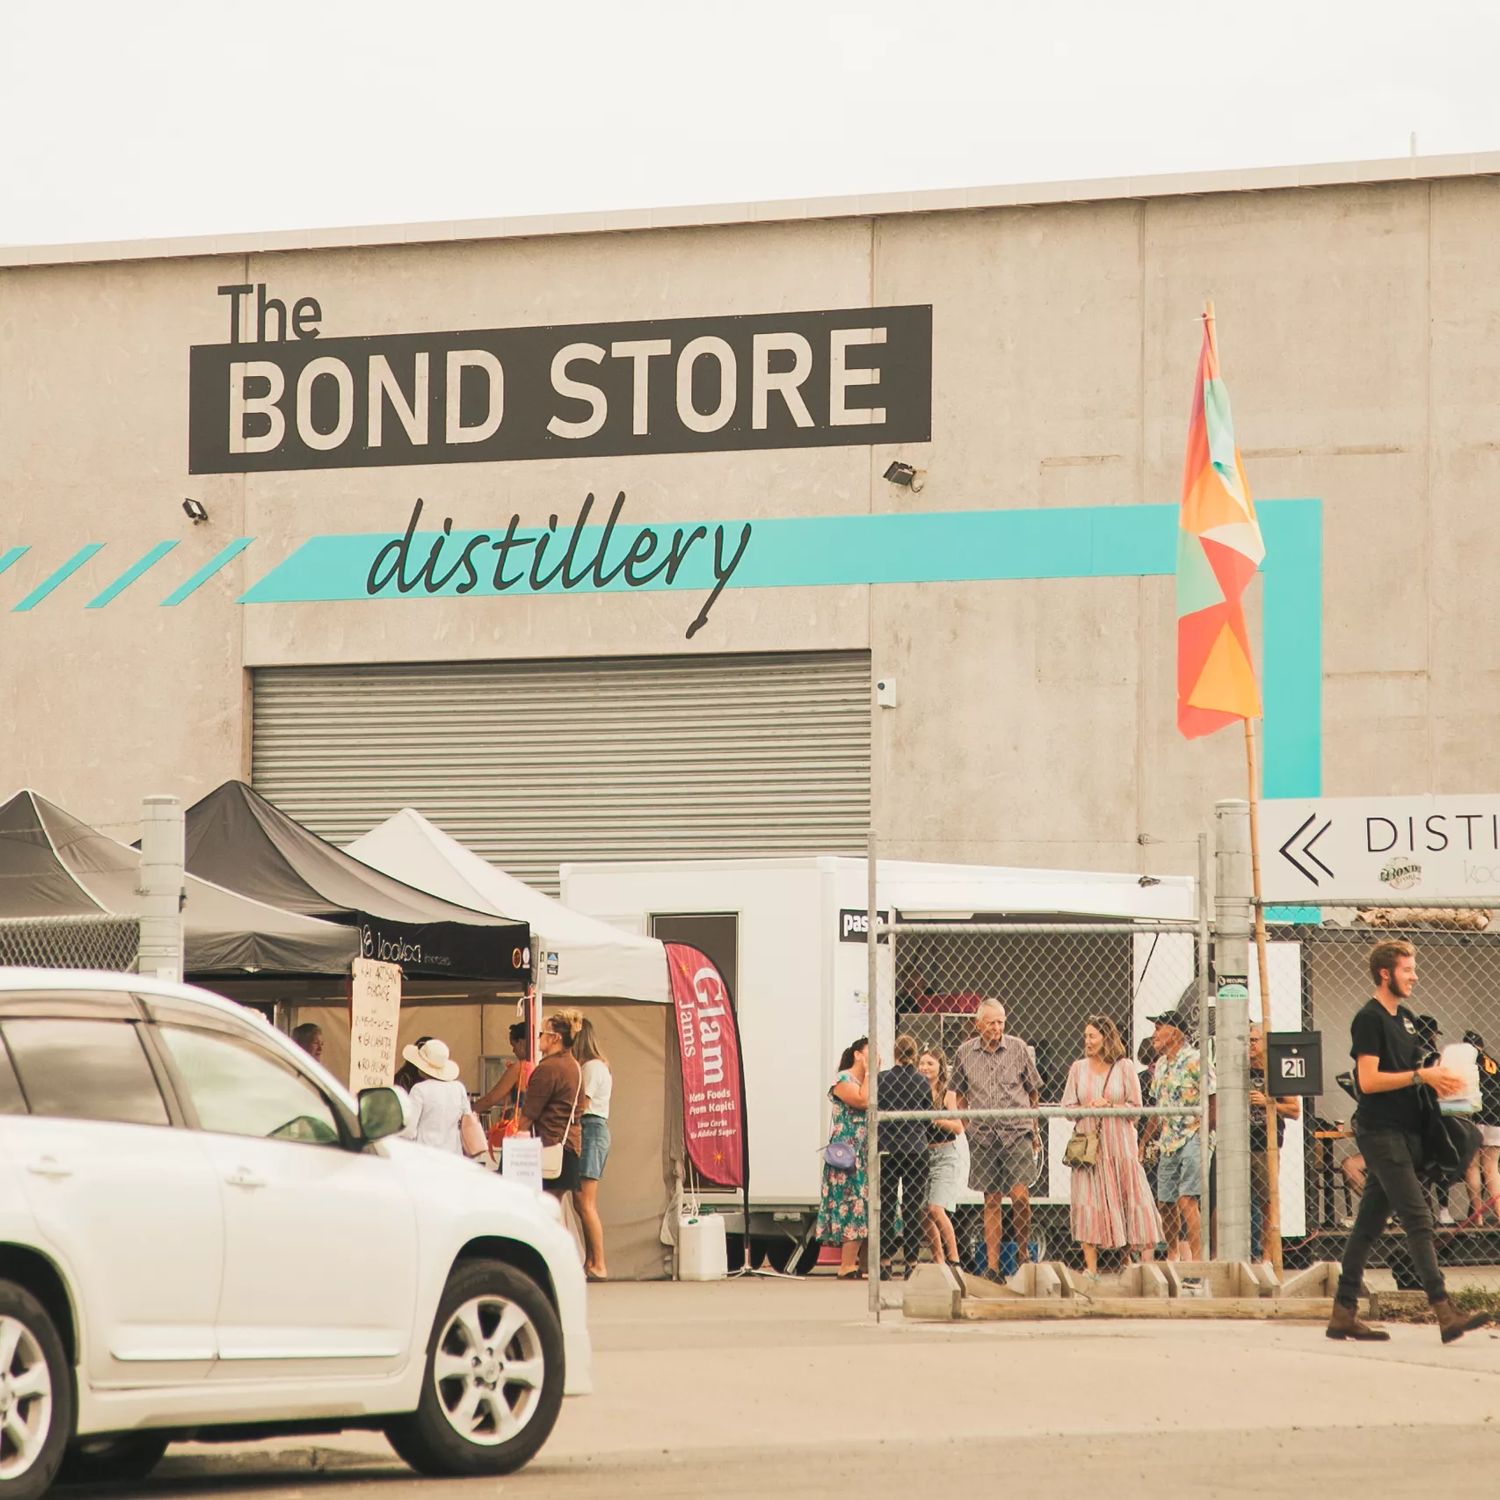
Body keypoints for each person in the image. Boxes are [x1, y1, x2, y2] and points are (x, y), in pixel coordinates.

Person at [1327, 940, 1491, 1344]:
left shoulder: (1408, 1019)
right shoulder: (1369, 1019)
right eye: (1408, 969)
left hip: (1407, 1130)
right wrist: (1421, 1078)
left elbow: (1422, 1067)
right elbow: (1367, 1080)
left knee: (1368, 1224)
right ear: (1386, 974)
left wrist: (1446, 1077)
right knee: (1418, 1218)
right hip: (1380, 1132)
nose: (1415, 976)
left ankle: (1343, 1313)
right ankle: (1444, 1309)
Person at [947, 999, 1042, 1280]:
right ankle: (993, 1268)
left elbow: (1033, 1090)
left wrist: (1033, 1127)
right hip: (984, 1135)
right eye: (992, 1022)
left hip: (1016, 1130)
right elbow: (959, 1091)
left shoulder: (1017, 1047)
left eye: (1001, 1022)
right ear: (979, 1024)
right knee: (991, 1200)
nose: (997, 1027)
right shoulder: (965, 1052)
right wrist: (967, 1122)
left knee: (1020, 1197)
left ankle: (1023, 1256)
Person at [1061, 1016, 1162, 1277]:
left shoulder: (1124, 1067)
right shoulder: (1078, 1068)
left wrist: (1110, 1106)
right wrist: (1087, 1107)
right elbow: (1068, 1109)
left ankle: (1127, 1262)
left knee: (1125, 1201)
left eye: (1092, 1036)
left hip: (1120, 1148)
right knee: (1088, 1202)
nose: (1088, 1042)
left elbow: (1135, 1110)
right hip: (1090, 1150)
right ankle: (1091, 1268)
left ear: (1106, 1037)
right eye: (1086, 1036)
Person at [1143, 1003, 1214, 1261]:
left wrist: (1207, 1133)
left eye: (1159, 1028)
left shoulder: (1196, 1060)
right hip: (1168, 1139)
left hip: (1194, 1134)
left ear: (1175, 1033)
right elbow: (1157, 1106)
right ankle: (1172, 1253)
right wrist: (1144, 1142)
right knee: (1166, 1202)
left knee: (1187, 1199)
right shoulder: (1160, 1065)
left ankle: (1196, 1260)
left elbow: (1213, 1098)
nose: (1154, 1034)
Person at [876, 1034, 932, 1279]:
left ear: (895, 1054)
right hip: (915, 1148)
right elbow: (927, 1114)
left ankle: (885, 1261)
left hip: (888, 1148)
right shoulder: (922, 1081)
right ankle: (911, 1261)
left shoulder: (882, 1080)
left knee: (887, 1205)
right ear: (915, 1054)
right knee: (912, 1206)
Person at [816, 1037, 869, 1279]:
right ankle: (846, 1265)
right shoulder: (843, 1079)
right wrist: (870, 1074)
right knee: (852, 1204)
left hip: (866, 1151)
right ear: (858, 1054)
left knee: (867, 1205)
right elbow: (862, 1100)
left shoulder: (868, 1080)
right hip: (848, 1154)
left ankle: (867, 1265)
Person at [1248, 1022, 1302, 1258]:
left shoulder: (1275, 1070)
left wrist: (1267, 1103)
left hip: (1265, 1143)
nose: (1249, 1045)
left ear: (1265, 1043)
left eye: (1253, 1041)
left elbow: (1294, 1110)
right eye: (1245, 1041)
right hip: (1237, 1144)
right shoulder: (1238, 1069)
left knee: (1267, 1200)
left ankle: (1268, 1256)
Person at [522, 1013, 585, 1198]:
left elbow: (529, 1113)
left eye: (542, 1033)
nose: (538, 1037)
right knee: (552, 1209)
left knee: (542, 1210)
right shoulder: (574, 1065)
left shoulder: (549, 1068)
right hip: (569, 1145)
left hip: (550, 1144)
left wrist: (514, 1142)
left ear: (555, 1038)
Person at [572, 1015, 614, 1282]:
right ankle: (591, 1261)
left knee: (586, 1202)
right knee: (582, 1201)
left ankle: (599, 1263)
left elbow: (582, 1104)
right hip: (593, 1129)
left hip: (591, 1128)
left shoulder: (591, 1067)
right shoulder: (598, 1066)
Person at [918, 1048, 962, 1268]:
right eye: (922, 1063)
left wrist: (937, 1120)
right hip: (924, 1155)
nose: (925, 1067)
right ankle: (938, 1259)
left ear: (940, 1067)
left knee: (936, 1208)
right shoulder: (916, 1091)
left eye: (930, 1064)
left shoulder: (948, 1093)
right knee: (924, 1211)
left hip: (944, 1154)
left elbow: (958, 1127)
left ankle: (954, 1258)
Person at [397, 1036, 471, 1154]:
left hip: (426, 1155)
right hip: (453, 1155)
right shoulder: (458, 1087)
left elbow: (409, 1131)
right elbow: (467, 1121)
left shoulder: (419, 1089)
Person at [1461, 1030, 1500, 1227]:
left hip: (1478, 1115)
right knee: (1492, 1168)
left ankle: (1478, 1215)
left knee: (1472, 1165)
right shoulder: (1493, 1063)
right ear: (1482, 1046)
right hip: (1498, 1117)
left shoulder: (1467, 1064)